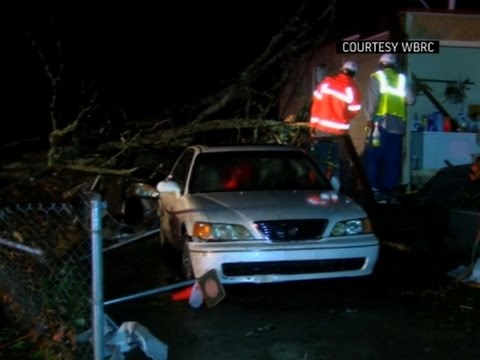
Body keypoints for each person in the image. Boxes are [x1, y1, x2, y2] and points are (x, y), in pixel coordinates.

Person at [364, 53, 416, 201]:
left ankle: (373, 188)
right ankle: (389, 190)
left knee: (373, 156)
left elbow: (371, 101)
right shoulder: (401, 79)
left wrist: (368, 118)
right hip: (398, 127)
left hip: (380, 125)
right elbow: (411, 100)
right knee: (392, 158)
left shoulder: (377, 77)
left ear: (381, 64)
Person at [308, 60, 362, 190]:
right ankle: (334, 190)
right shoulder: (352, 89)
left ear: (342, 70)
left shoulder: (326, 83)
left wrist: (313, 124)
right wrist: (343, 116)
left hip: (322, 129)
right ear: (354, 75)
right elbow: (354, 111)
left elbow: (315, 104)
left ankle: (317, 188)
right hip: (339, 132)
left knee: (321, 159)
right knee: (335, 161)